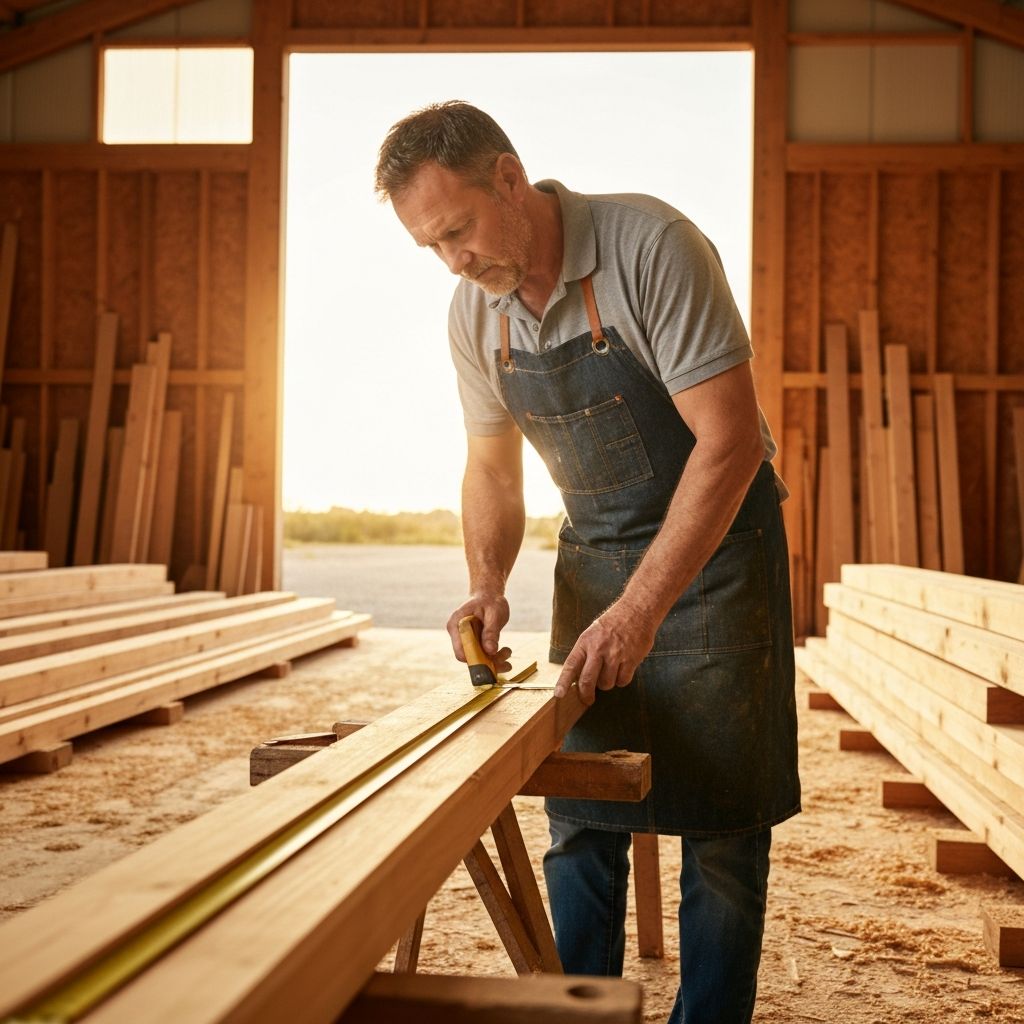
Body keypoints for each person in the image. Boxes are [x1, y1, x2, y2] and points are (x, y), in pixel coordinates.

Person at [374, 100, 800, 1024]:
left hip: (721, 553)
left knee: (723, 828)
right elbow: (490, 463)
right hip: (598, 555)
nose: (455, 261)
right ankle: (584, 1012)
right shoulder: (473, 314)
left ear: (509, 178)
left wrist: (644, 611)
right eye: (430, 246)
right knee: (583, 812)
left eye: (460, 230)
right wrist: (487, 583)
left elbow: (727, 445)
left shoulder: (653, 248)